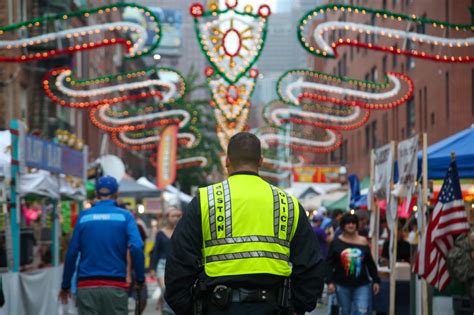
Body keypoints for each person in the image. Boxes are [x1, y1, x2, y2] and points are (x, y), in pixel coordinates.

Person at [165, 132, 325, 315]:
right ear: (261, 161)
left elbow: (178, 262)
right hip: (273, 308)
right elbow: (311, 265)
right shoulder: (288, 204)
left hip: (218, 308)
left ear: (226, 161)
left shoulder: (205, 201)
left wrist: (188, 308)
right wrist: (297, 307)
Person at [59, 176, 145, 315]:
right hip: (115, 286)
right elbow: (136, 247)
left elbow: (72, 252)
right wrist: (140, 279)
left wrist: (65, 285)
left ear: (97, 194)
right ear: (117, 193)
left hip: (86, 286)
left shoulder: (84, 217)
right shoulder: (125, 216)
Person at [326, 213, 380, 315]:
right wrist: (329, 282)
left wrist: (376, 280)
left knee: (361, 311)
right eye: (348, 223)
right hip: (341, 284)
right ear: (343, 225)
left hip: (362, 284)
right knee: (345, 311)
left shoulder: (363, 241)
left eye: (353, 223)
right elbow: (329, 263)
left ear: (356, 225)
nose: (351, 225)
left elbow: (370, 263)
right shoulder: (336, 242)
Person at [149, 205, 183, 314]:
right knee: (165, 289)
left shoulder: (182, 232)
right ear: (167, 217)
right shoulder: (160, 233)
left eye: (178, 216)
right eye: (173, 216)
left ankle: (163, 302)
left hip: (178, 265)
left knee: (175, 290)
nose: (176, 218)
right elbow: (156, 251)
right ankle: (166, 311)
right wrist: (152, 268)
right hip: (162, 264)